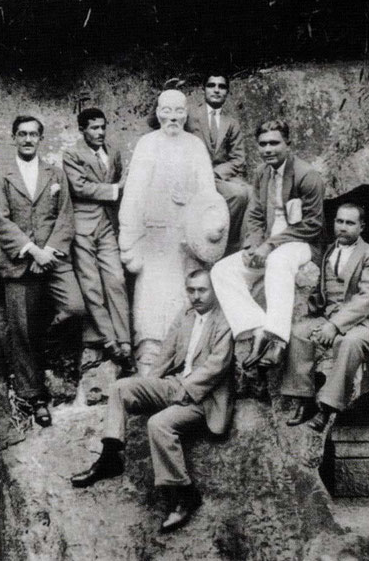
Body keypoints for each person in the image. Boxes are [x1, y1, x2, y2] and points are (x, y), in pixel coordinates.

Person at [70, 269, 234, 534]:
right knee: (121, 387)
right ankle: (110, 457)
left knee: (159, 424)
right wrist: (148, 387)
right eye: (190, 290)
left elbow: (217, 366)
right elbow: (166, 353)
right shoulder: (185, 315)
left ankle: (184, 494)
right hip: (175, 385)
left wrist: (186, 389)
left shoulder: (224, 320)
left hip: (204, 398)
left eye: (201, 290)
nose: (195, 296)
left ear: (214, 289)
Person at [0, 115, 86, 427]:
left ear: (41, 139)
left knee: (74, 307)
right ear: (14, 137)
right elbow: (0, 222)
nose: (28, 139)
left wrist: (47, 252)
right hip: (20, 263)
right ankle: (34, 397)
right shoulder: (3, 177)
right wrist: (31, 250)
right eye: (22, 134)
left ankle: (48, 354)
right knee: (21, 331)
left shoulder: (55, 173)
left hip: (53, 258)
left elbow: (66, 217)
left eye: (34, 134)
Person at [211, 118, 325, 373]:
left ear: (288, 144)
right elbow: (254, 215)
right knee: (222, 270)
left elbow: (313, 224)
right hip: (267, 245)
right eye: (262, 144)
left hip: (301, 244)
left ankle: (278, 341)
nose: (268, 149)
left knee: (278, 260)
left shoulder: (308, 176)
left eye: (274, 143)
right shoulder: (262, 173)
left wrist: (269, 246)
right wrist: (253, 245)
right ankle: (258, 328)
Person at [119, 89, 217, 371]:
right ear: (158, 112)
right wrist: (129, 239)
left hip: (187, 239)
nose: (172, 117)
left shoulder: (195, 146)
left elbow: (209, 194)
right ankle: (148, 357)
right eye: (166, 111)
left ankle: (183, 357)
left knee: (183, 295)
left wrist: (206, 229)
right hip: (153, 238)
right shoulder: (147, 144)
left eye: (178, 111)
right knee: (150, 296)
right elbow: (134, 194)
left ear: (186, 114)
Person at [282, 203, 369, 432]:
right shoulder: (329, 250)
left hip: (365, 322)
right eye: (339, 221)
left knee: (348, 343)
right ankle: (304, 399)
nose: (343, 227)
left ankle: (327, 407)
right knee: (299, 333)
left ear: (362, 227)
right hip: (330, 315)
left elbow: (366, 299)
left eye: (350, 223)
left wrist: (335, 326)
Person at [62, 108, 135, 375]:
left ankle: (126, 341)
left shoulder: (112, 151)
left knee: (116, 279)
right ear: (82, 130)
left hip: (106, 224)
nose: (100, 132)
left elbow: (116, 179)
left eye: (103, 127)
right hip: (82, 226)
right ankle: (110, 341)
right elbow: (79, 187)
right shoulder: (72, 154)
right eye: (94, 128)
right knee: (92, 286)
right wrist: (116, 190)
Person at [186, 72, 251, 252]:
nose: (216, 90)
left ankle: (231, 244)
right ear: (203, 89)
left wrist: (216, 173)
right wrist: (166, 95)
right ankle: (209, 239)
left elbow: (238, 158)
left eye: (221, 87)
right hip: (193, 175)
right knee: (237, 194)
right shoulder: (190, 115)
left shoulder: (231, 122)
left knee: (247, 193)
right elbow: (155, 122)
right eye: (211, 85)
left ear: (227, 92)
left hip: (219, 176)